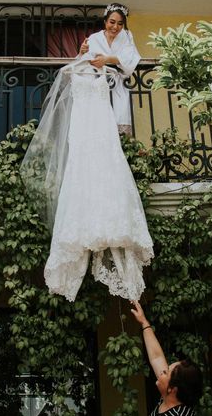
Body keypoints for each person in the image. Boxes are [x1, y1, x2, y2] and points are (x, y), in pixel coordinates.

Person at [20, 56, 153, 302]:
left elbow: (122, 73)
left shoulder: (106, 73)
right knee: (83, 178)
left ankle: (110, 232)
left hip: (104, 134)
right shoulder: (70, 73)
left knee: (107, 177)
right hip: (83, 134)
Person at [130, 300, 203, 416]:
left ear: (173, 388)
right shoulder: (168, 401)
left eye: (166, 372)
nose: (161, 372)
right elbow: (156, 357)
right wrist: (144, 322)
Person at [79, 3, 141, 136]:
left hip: (119, 85)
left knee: (120, 126)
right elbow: (84, 63)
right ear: (105, 21)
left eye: (120, 23)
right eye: (112, 22)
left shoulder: (127, 35)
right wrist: (82, 52)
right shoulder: (94, 38)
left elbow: (130, 57)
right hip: (98, 87)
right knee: (98, 127)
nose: (115, 27)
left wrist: (107, 59)